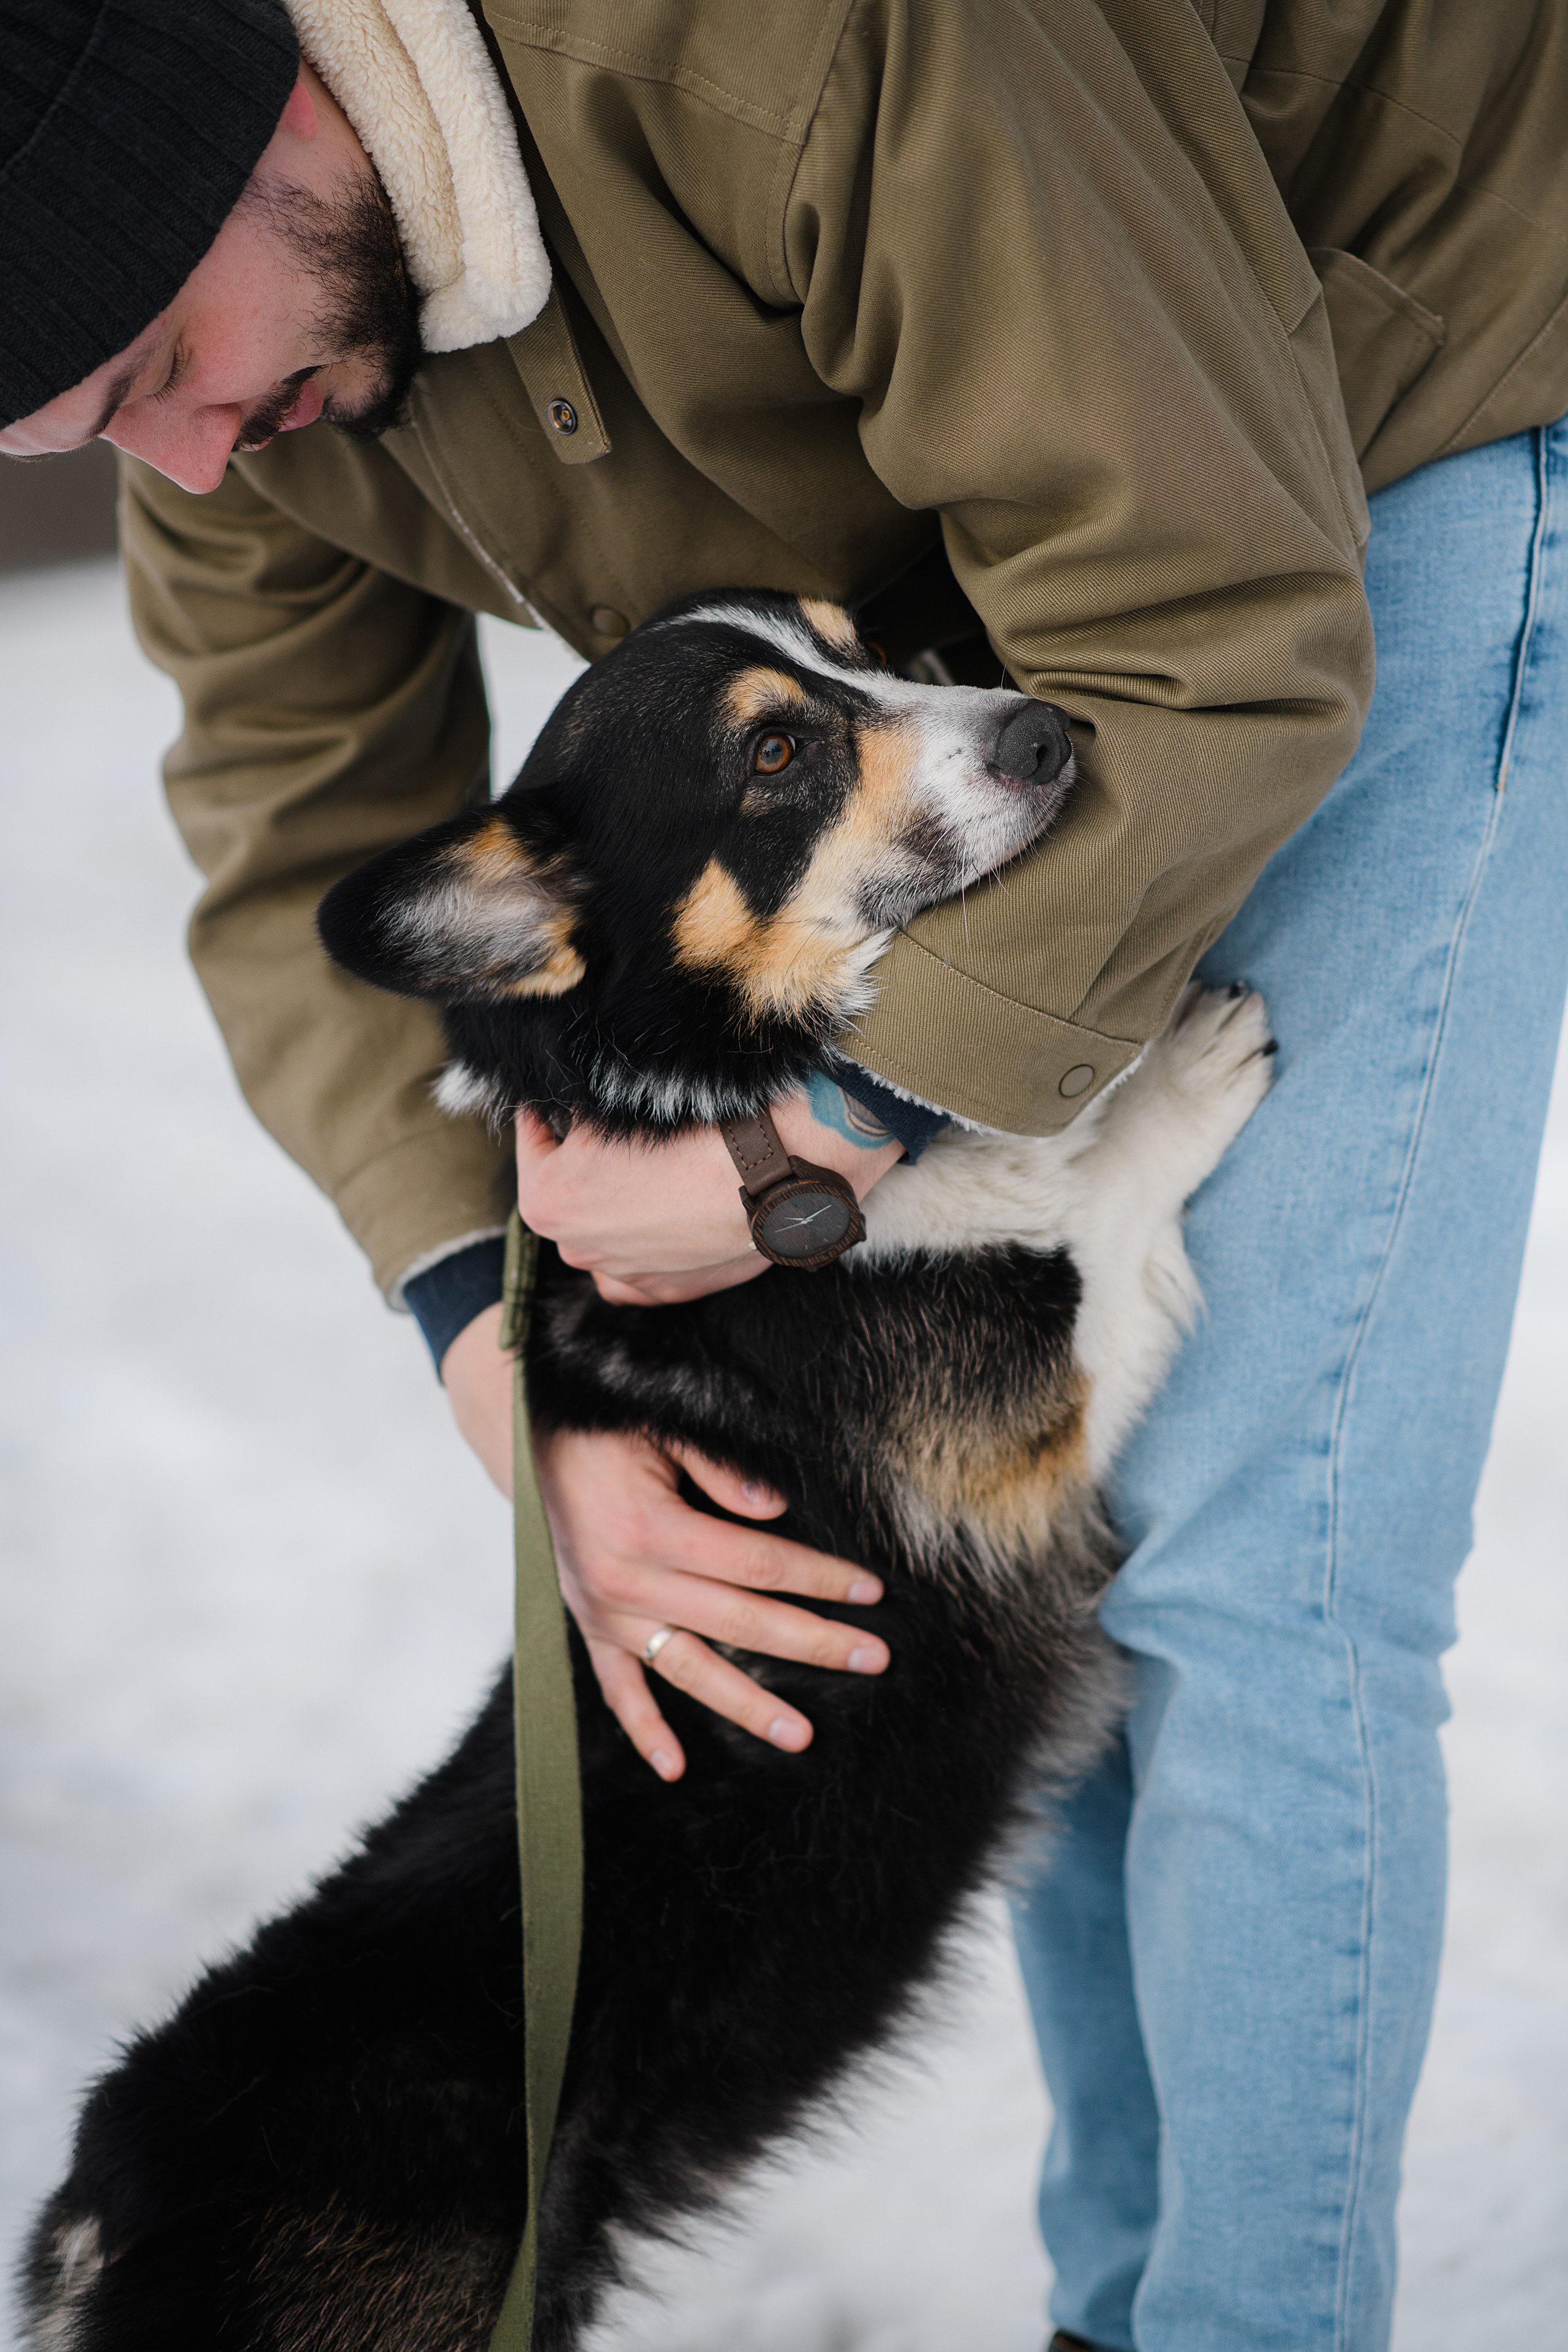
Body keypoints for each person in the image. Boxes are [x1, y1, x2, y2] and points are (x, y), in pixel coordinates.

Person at [4, 2, 1565, 2344]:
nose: (192, 463)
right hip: (1035, 587)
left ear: (248, 135)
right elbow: (311, 832)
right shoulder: (239, 367)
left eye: (154, 370)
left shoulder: (784, 37)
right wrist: (504, 1356)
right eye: (111, 432)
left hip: (1385, 395)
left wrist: (824, 1147)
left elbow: (1216, 623)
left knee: (1262, 1558)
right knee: (1083, 1608)